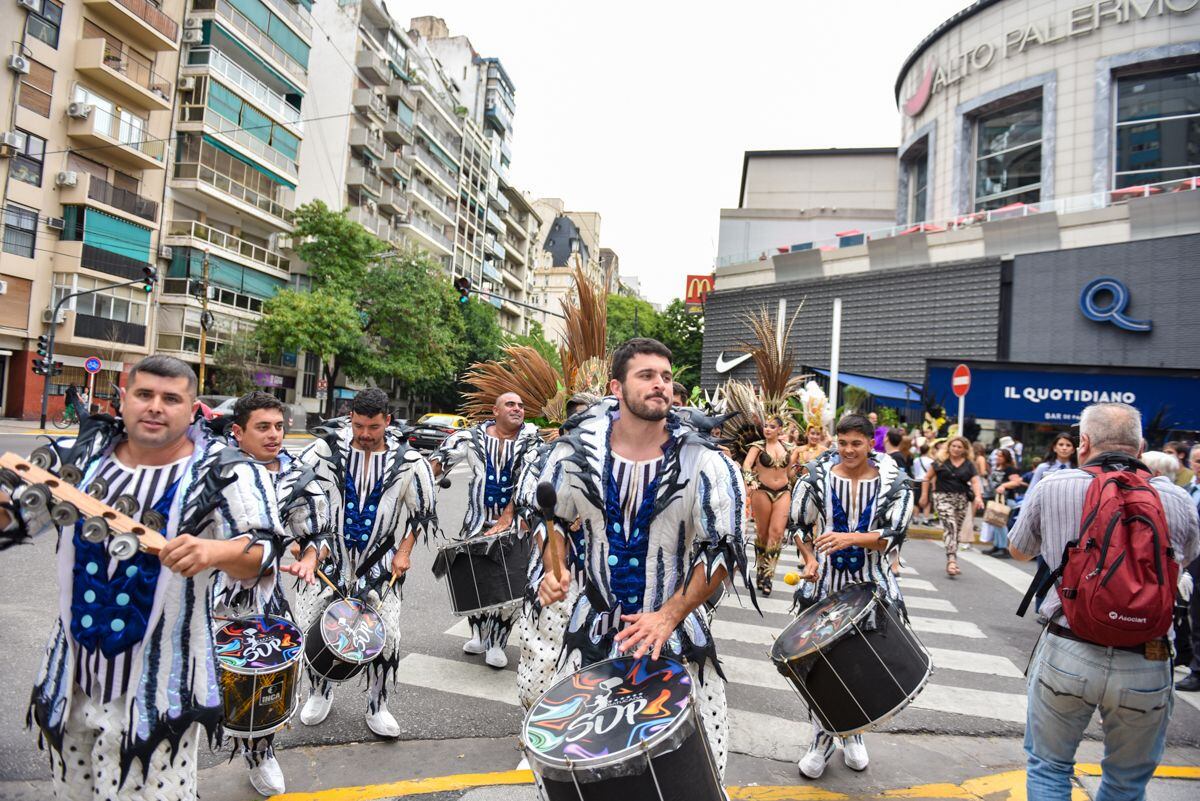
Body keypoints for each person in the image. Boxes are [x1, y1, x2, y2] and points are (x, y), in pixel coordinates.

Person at [6, 356, 283, 801]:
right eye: (144, 394)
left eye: (171, 398)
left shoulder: (227, 470)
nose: (155, 406)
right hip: (72, 680)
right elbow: (20, 518)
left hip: (158, 691)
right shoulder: (85, 457)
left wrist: (213, 550)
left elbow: (265, 550)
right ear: (124, 399)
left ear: (192, 409)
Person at [536, 337, 752, 780]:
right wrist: (551, 569)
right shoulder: (572, 453)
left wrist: (668, 616)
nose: (661, 385)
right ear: (617, 386)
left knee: (689, 771)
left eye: (667, 377)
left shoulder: (706, 463)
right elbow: (552, 520)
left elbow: (719, 555)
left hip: (674, 635)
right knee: (587, 769)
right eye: (647, 376)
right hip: (593, 633)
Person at [1008, 402, 1199, 801]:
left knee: (1049, 768)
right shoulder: (1178, 499)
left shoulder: (1054, 485)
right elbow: (1187, 556)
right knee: (1127, 784)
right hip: (1147, 655)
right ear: (1141, 446)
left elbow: (1020, 550)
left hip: (1069, 646)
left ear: (1084, 443)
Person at [294, 387, 436, 738]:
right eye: (358, 425)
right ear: (350, 419)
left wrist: (404, 551)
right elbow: (293, 492)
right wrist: (301, 543)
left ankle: (378, 704)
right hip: (328, 558)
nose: (365, 434)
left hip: (380, 566)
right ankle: (319, 691)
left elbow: (422, 514)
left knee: (385, 637)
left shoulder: (410, 462)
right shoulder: (323, 452)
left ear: (387, 421)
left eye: (373, 427)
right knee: (313, 627)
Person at [788, 414, 913, 779]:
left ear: (870, 443)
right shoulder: (816, 477)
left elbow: (894, 533)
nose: (848, 450)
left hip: (871, 586)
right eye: (842, 443)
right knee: (821, 667)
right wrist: (809, 559)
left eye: (856, 444)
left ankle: (854, 733)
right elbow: (798, 525)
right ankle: (822, 739)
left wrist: (850, 538)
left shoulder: (895, 483)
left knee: (862, 665)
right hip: (825, 585)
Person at [219, 391, 330, 796]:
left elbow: (316, 531)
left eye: (279, 427)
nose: (273, 435)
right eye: (262, 427)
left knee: (259, 684)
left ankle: (260, 753)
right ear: (238, 432)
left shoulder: (298, 476)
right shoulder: (212, 471)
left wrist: (310, 557)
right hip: (206, 598)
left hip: (265, 599)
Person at [430, 391, 542, 668]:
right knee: (474, 582)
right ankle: (479, 635)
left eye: (520, 405)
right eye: (510, 404)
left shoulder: (532, 442)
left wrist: (510, 513)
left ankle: (497, 643)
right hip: (476, 524)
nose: (517, 409)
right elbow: (437, 463)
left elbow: (532, 479)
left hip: (516, 528)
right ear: (495, 410)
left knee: (510, 588)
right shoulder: (471, 439)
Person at [742, 416, 794, 596]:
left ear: (780, 429)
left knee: (777, 533)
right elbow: (747, 465)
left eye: (772, 426)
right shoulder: (758, 446)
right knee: (763, 534)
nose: (768, 429)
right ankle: (760, 570)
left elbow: (790, 473)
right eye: (766, 426)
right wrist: (750, 481)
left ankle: (768, 576)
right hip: (762, 491)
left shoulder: (788, 448)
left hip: (784, 492)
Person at [920, 436, 984, 577]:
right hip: (942, 497)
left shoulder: (969, 465)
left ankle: (952, 556)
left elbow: (975, 482)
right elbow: (926, 478)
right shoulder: (939, 462)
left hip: (961, 499)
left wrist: (978, 497)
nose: (956, 449)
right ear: (948, 447)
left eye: (959, 447)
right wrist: (924, 495)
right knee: (951, 526)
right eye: (953, 446)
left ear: (965, 450)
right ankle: (952, 560)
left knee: (956, 531)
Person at [1179, 444, 1200, 692]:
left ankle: (1197, 670)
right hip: (1189, 562)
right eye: (1197, 460)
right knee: (1186, 612)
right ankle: (1187, 656)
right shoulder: (1186, 490)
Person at [980, 448, 1023, 558]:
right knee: (995, 522)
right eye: (997, 455)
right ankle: (997, 546)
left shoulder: (1010, 469)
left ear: (1006, 458)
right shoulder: (997, 467)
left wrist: (1004, 485)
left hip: (1006, 499)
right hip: (996, 499)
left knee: (1001, 523)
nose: (997, 457)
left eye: (1000, 456)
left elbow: (1016, 482)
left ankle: (1003, 548)